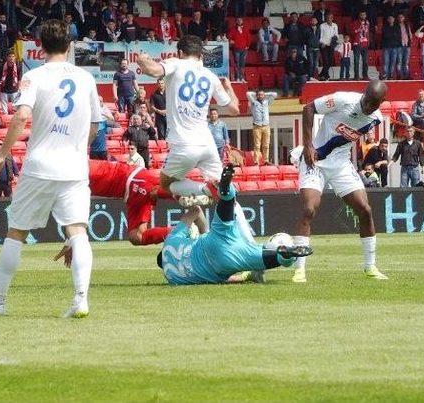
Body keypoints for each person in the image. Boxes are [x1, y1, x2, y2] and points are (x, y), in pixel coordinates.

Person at [0, 19, 102, 318]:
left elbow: (20, 117)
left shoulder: (35, 77)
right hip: (73, 168)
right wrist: (77, 149)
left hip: (40, 166)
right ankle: (80, 299)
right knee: (78, 232)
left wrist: (1, 155)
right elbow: (96, 124)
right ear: (70, 45)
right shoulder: (86, 79)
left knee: (16, 232)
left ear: (39, 46)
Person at [291, 81, 389, 284]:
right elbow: (308, 108)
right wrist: (308, 145)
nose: (368, 106)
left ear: (381, 103)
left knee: (365, 210)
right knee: (309, 209)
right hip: (314, 161)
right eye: (366, 100)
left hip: (341, 165)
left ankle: (370, 267)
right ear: (364, 94)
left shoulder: (375, 119)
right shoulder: (343, 99)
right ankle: (299, 269)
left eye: (373, 104)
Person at [157, 165, 313, 285]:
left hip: (222, 263)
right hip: (210, 243)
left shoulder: (172, 278)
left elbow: (223, 280)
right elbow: (196, 211)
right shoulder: (171, 240)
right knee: (226, 214)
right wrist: (202, 231)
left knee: (256, 256)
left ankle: (284, 255)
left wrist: (239, 278)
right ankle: (226, 191)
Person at [137, 35, 240, 207]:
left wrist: (141, 59)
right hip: (208, 145)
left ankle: (205, 190)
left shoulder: (176, 63)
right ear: (201, 55)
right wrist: (230, 88)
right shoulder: (210, 76)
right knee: (225, 193)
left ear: (180, 52)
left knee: (166, 184)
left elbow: (153, 71)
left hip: (184, 144)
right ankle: (241, 229)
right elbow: (235, 109)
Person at [83, 159, 173, 245]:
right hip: (130, 193)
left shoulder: (80, 168)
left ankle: (184, 193)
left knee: (154, 192)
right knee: (137, 237)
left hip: (132, 177)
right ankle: (182, 231)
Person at [247, 89, 277, 165]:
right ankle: (256, 161)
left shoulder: (266, 102)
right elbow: (248, 93)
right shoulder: (254, 102)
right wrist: (256, 93)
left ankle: (265, 160)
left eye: (262, 95)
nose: (260, 96)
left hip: (266, 126)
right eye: (259, 95)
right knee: (257, 145)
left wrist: (265, 94)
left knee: (266, 144)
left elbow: (274, 94)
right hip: (257, 126)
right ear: (256, 95)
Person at [90, 96, 115, 160]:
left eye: (100, 101)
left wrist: (103, 114)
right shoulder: (91, 119)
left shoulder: (104, 121)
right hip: (93, 151)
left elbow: (112, 120)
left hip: (102, 151)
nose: (99, 103)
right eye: (97, 101)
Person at [228, 18, 251, 82]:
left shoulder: (245, 29)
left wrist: (248, 46)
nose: (239, 21)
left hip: (244, 49)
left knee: (242, 64)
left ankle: (242, 77)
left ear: (242, 21)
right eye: (238, 20)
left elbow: (249, 37)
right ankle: (237, 77)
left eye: (240, 20)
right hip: (236, 49)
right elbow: (229, 37)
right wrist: (231, 41)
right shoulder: (233, 29)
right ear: (236, 21)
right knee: (237, 63)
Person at [319, 13, 339, 80]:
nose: (329, 19)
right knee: (325, 61)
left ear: (332, 18)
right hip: (324, 46)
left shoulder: (335, 25)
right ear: (325, 18)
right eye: (327, 18)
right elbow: (320, 37)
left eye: (330, 18)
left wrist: (335, 38)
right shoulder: (322, 26)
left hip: (331, 46)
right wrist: (323, 43)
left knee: (330, 62)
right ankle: (326, 76)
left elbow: (337, 35)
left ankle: (321, 74)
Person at [352, 11, 370, 81]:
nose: (363, 16)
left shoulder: (367, 22)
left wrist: (368, 41)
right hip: (357, 43)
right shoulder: (355, 22)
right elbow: (353, 32)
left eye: (364, 14)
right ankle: (356, 76)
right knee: (356, 61)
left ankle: (365, 75)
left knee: (365, 61)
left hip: (365, 43)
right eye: (361, 15)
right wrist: (360, 28)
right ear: (359, 15)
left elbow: (367, 32)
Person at [381, 15, 400, 80]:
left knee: (393, 62)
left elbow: (398, 36)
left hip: (394, 47)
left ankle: (391, 75)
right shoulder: (385, 27)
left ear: (394, 20)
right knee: (386, 62)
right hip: (386, 47)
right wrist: (393, 35)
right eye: (389, 18)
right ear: (388, 20)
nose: (391, 20)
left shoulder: (397, 27)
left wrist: (392, 35)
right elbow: (385, 36)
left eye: (392, 18)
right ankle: (385, 74)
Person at [397, 13, 412, 80]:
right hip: (400, 45)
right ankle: (400, 76)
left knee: (406, 62)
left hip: (407, 45)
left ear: (404, 18)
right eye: (399, 17)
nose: (401, 18)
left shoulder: (407, 25)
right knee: (399, 62)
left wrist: (410, 40)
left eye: (402, 17)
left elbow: (410, 33)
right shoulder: (396, 25)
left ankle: (406, 76)